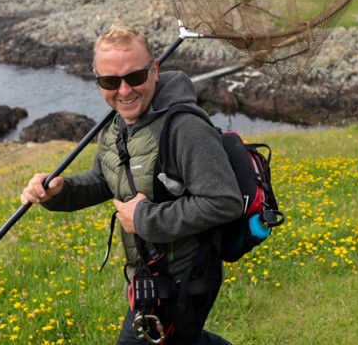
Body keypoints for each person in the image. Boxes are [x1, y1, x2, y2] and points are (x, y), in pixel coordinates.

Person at [21, 25, 242, 344]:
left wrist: (143, 218)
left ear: (154, 70)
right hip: (149, 273)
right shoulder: (116, 125)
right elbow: (103, 180)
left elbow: (224, 201)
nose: (124, 91)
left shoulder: (186, 128)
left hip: (185, 276)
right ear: (97, 79)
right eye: (110, 81)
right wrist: (59, 192)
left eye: (135, 77)